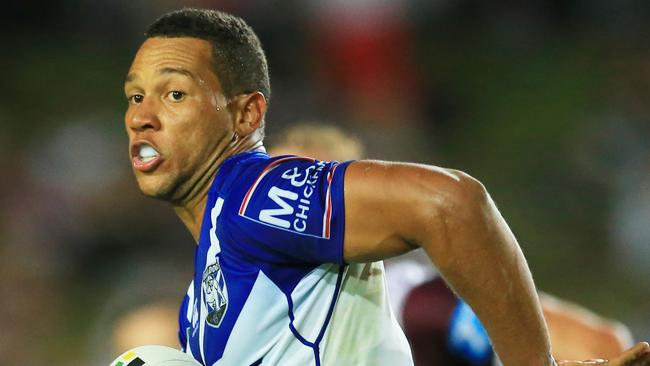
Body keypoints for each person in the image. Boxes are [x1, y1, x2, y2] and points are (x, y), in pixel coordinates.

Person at [122, 8, 650, 366]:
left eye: (173, 94)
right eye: (134, 97)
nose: (141, 116)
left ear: (244, 114)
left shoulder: (252, 197)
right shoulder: (200, 302)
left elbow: (450, 202)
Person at [269, 123, 635, 365]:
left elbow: (601, 346)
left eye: (308, 193)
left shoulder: (414, 301)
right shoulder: (231, 303)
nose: (284, 210)